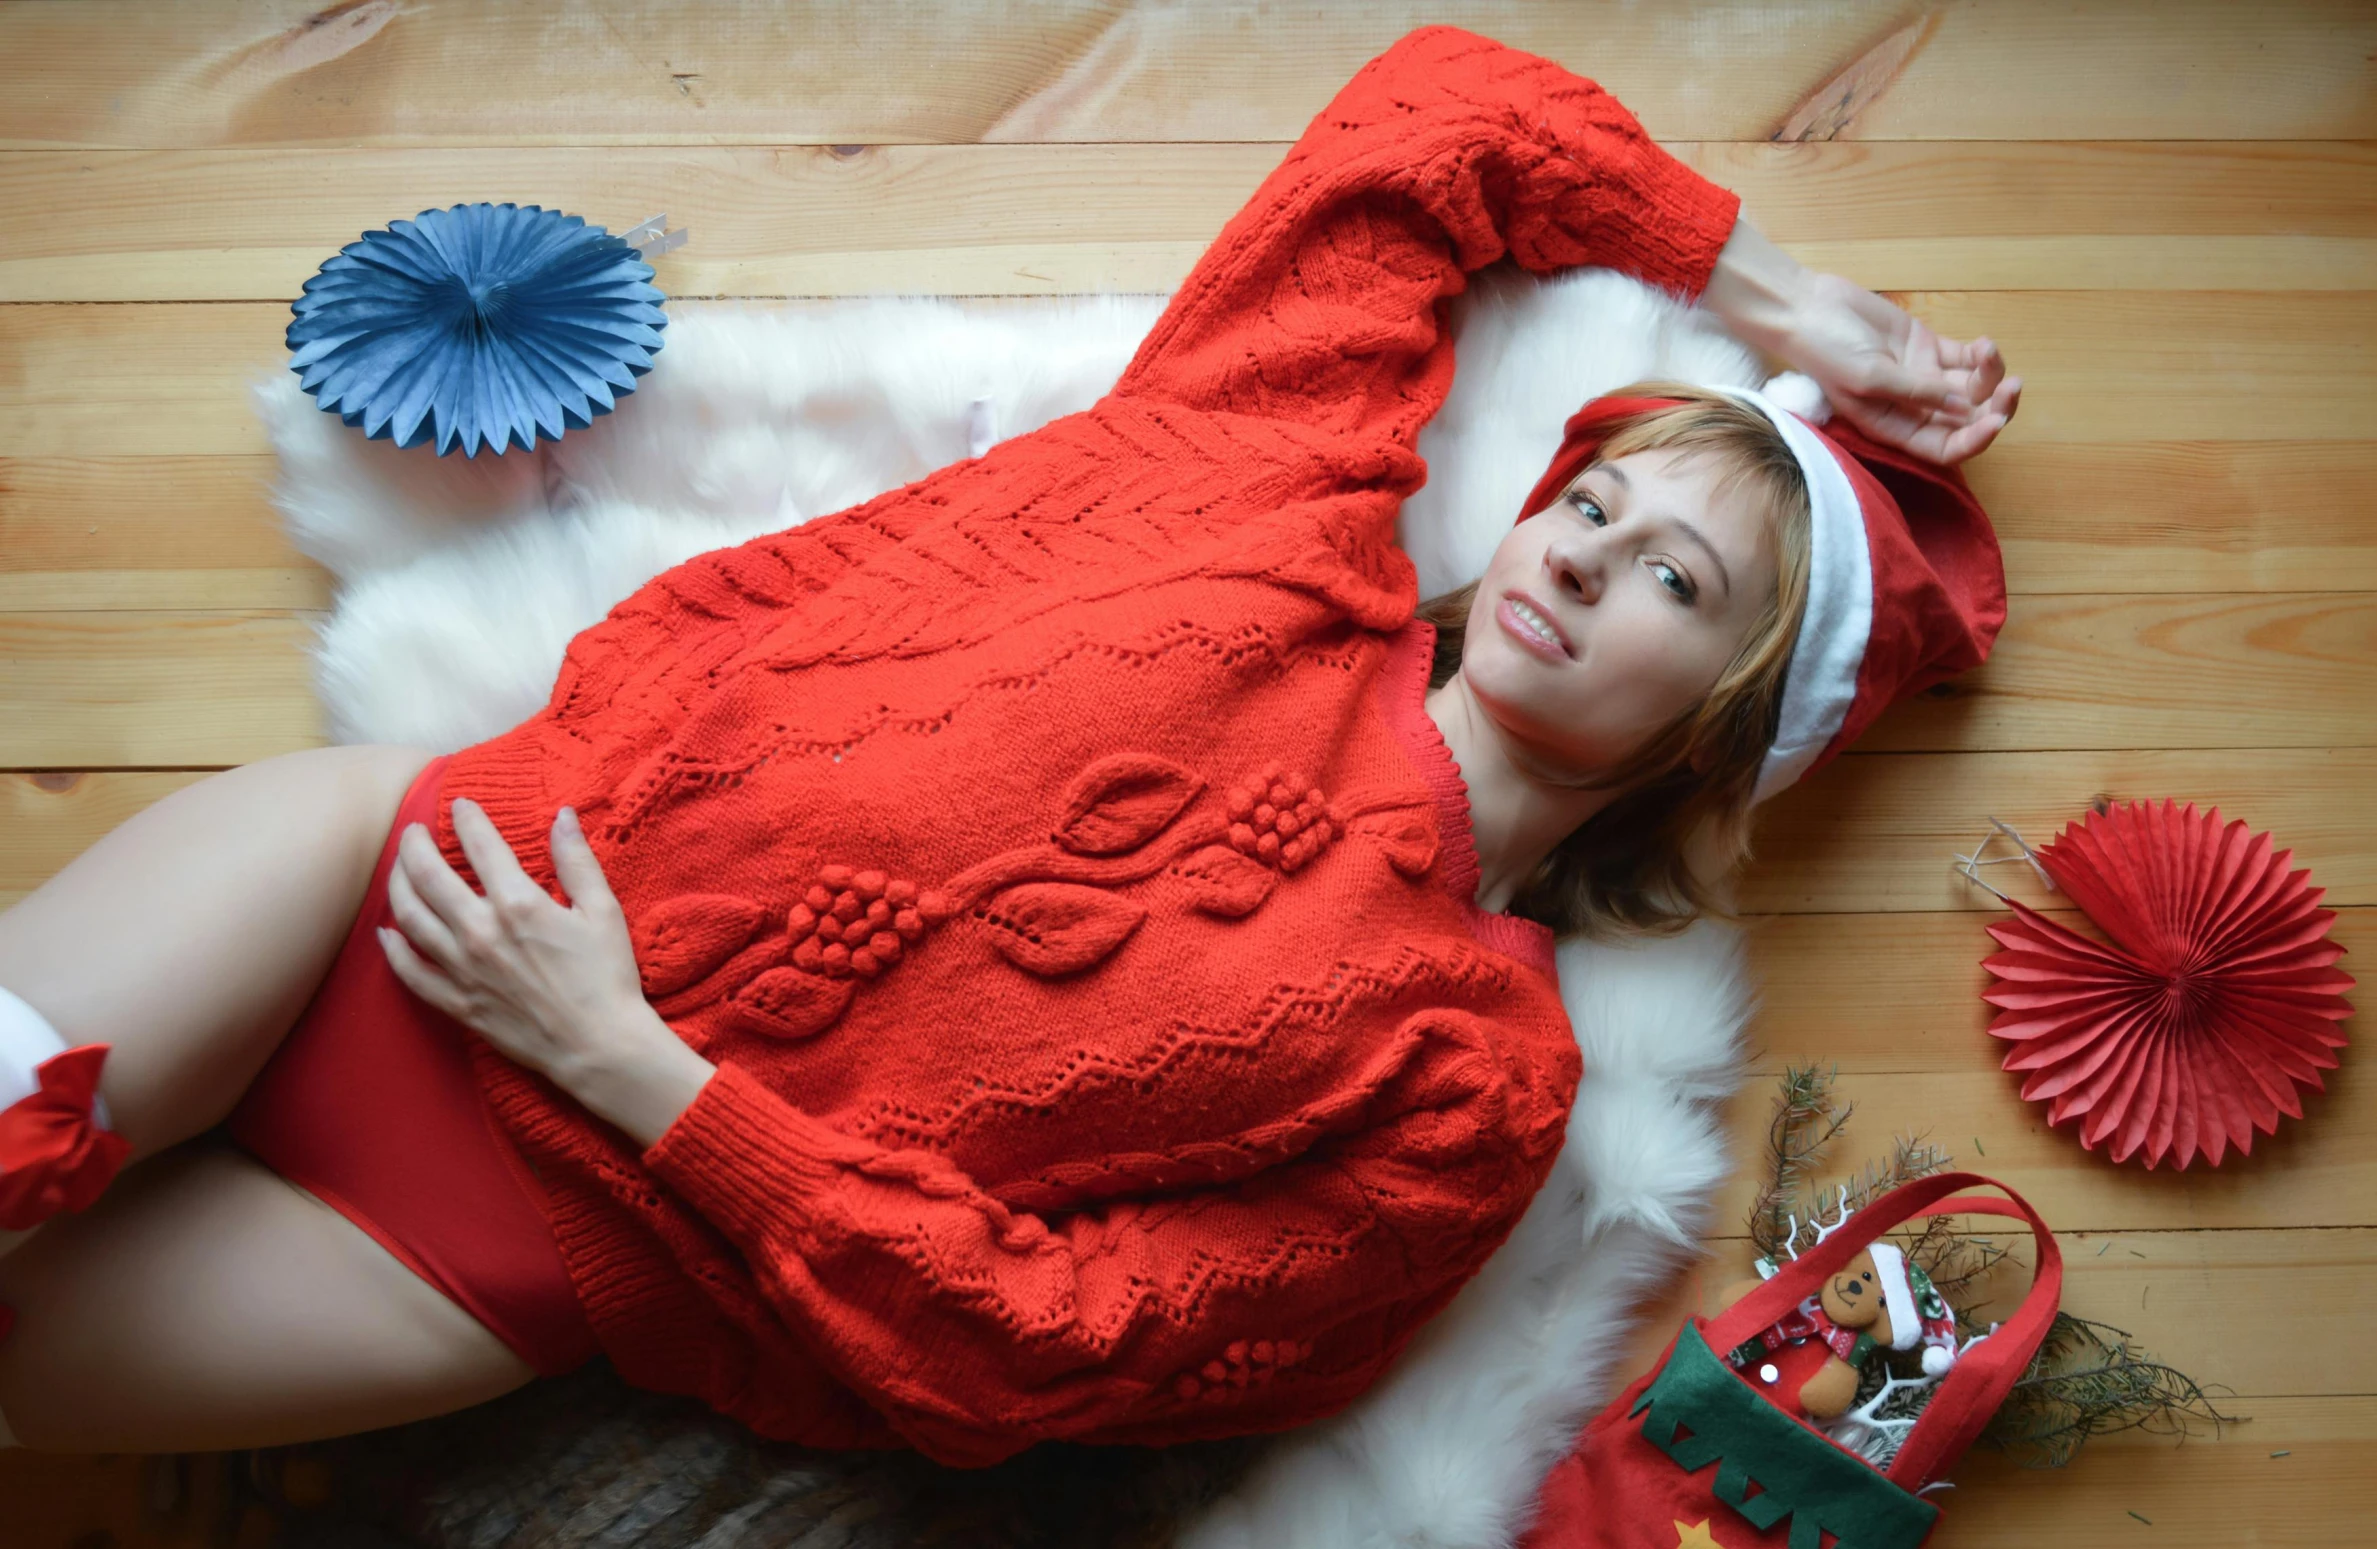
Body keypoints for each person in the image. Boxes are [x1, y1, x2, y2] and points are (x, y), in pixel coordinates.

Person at [0, 26, 2017, 1459]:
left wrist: (642, 1072)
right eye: (1596, 499)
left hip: (512, 1239)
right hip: (413, 868)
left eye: (1678, 583)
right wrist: (1779, 305)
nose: (1589, 557)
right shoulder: (1284, 484)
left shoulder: (1477, 1081)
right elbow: (1441, 121)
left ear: (1718, 737)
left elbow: (1075, 1351)